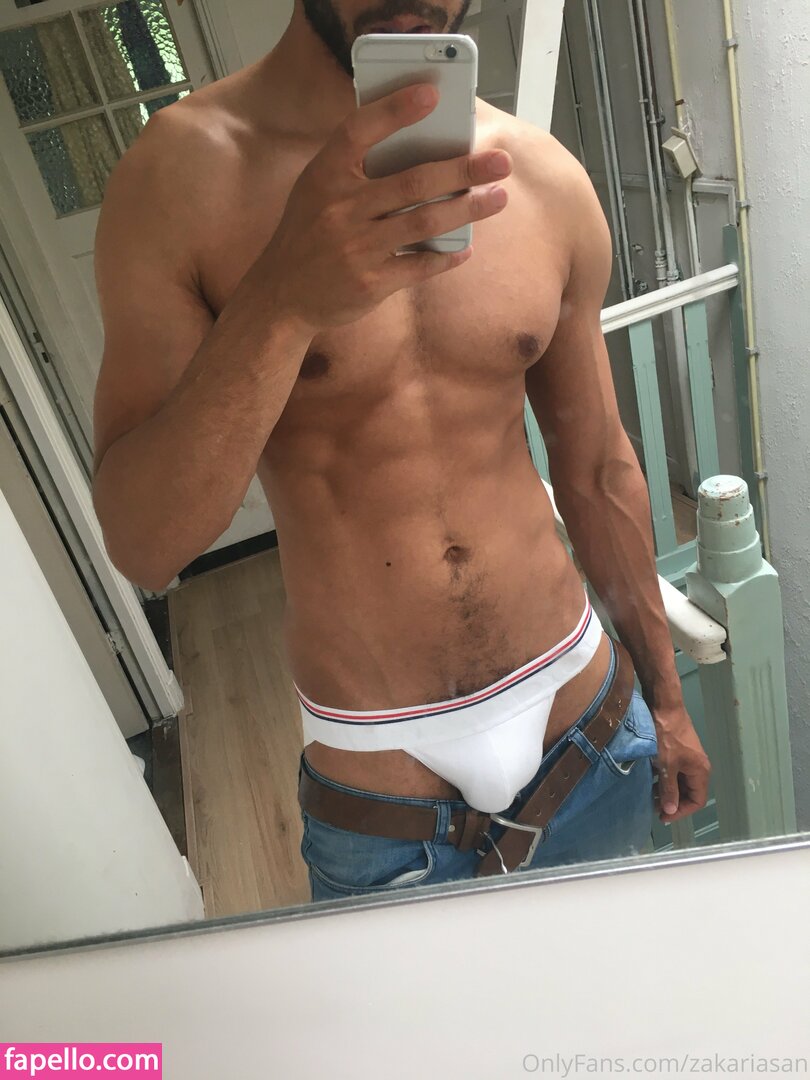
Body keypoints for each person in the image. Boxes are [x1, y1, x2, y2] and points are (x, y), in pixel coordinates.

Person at [92, 0, 711, 901]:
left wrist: (668, 698)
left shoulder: (542, 177)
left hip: (588, 729)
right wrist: (282, 300)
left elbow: (598, 469)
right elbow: (147, 545)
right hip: (383, 789)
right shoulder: (180, 179)